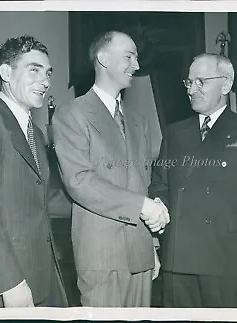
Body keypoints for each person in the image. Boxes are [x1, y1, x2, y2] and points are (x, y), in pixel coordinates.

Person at [52, 31, 169, 307]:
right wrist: (143, 206)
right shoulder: (72, 114)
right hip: (100, 257)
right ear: (103, 59)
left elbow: (144, 182)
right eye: (129, 56)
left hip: (140, 254)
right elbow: (80, 181)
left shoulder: (138, 120)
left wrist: (151, 245)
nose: (137, 66)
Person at [149, 53, 237, 308]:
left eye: (201, 82)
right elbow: (159, 183)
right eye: (189, 82)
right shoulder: (174, 133)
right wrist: (158, 216)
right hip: (179, 256)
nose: (192, 90)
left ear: (226, 85)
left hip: (227, 259)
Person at [0, 35, 67, 307]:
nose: (46, 81)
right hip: (9, 285)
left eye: (48, 73)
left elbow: (44, 200)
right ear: (6, 72)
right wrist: (9, 283)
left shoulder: (35, 133)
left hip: (42, 278)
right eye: (34, 70)